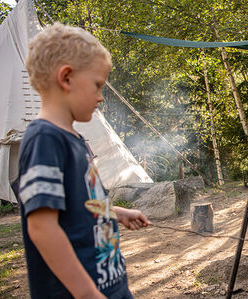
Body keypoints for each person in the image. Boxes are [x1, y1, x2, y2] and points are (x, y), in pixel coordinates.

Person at [18, 23, 150, 299]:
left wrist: (117, 213)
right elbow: (42, 227)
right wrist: (86, 293)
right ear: (66, 78)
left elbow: (78, 204)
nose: (101, 97)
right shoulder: (45, 139)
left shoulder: (74, 139)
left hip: (110, 283)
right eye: (97, 85)